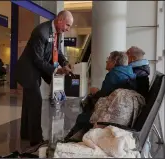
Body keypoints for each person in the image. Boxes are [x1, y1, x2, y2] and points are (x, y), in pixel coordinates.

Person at [14, 10, 74, 147]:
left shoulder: (57, 33)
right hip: (28, 71)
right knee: (35, 101)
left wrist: (64, 63)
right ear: (60, 20)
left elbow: (57, 52)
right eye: (68, 25)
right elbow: (37, 59)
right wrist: (56, 69)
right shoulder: (40, 32)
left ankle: (26, 133)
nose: (68, 29)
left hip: (37, 69)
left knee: (29, 102)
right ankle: (36, 140)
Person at [65, 51, 137, 141]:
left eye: (108, 59)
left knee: (83, 116)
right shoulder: (130, 73)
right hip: (122, 114)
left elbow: (103, 96)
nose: (106, 61)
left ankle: (70, 140)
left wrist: (96, 92)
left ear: (114, 62)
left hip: (110, 115)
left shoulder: (113, 75)